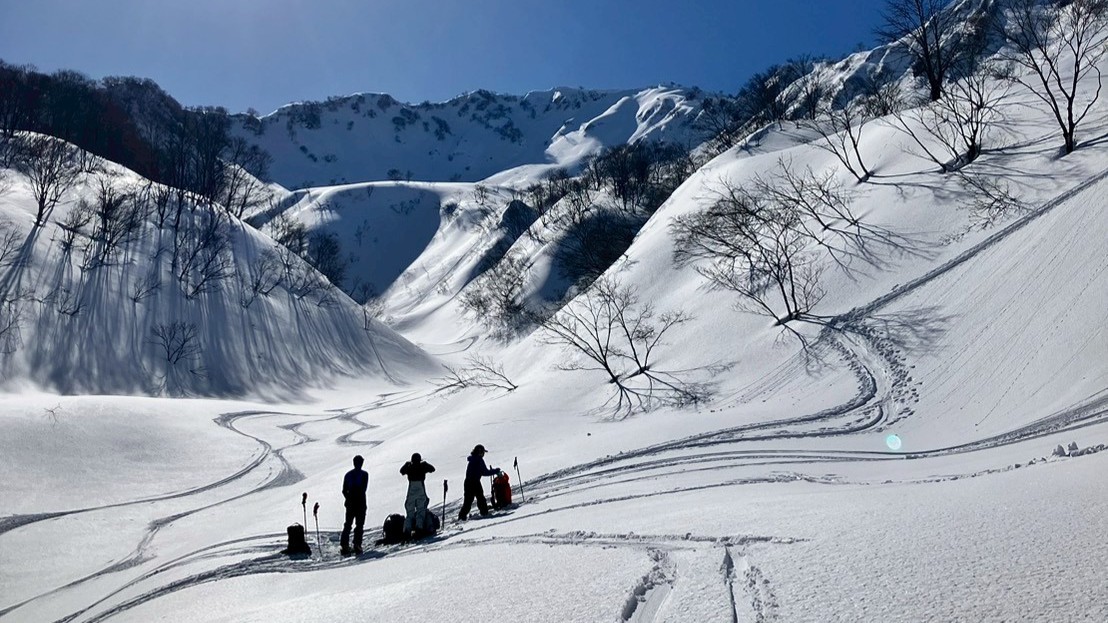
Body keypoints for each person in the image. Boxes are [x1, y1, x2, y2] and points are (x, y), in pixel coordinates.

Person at [458, 444, 500, 520]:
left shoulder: (472, 459)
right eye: (483, 452)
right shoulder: (479, 460)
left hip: (468, 482)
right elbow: (485, 472)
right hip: (475, 482)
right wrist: (495, 471)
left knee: (468, 501)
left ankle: (461, 516)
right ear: (480, 452)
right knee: (480, 498)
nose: (483, 454)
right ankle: (484, 513)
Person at [399, 452, 436, 536]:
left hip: (411, 490)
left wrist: (406, 464)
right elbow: (432, 469)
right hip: (420, 490)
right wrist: (425, 464)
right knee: (420, 510)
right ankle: (419, 528)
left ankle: (406, 530)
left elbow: (401, 471)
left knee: (409, 512)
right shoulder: (422, 466)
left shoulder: (409, 467)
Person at [340, 455, 369, 555]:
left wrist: (348, 498)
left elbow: (344, 490)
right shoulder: (364, 474)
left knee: (348, 524)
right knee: (359, 524)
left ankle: (344, 545)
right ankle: (357, 544)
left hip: (350, 502)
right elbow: (364, 488)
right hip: (360, 502)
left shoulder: (348, 475)